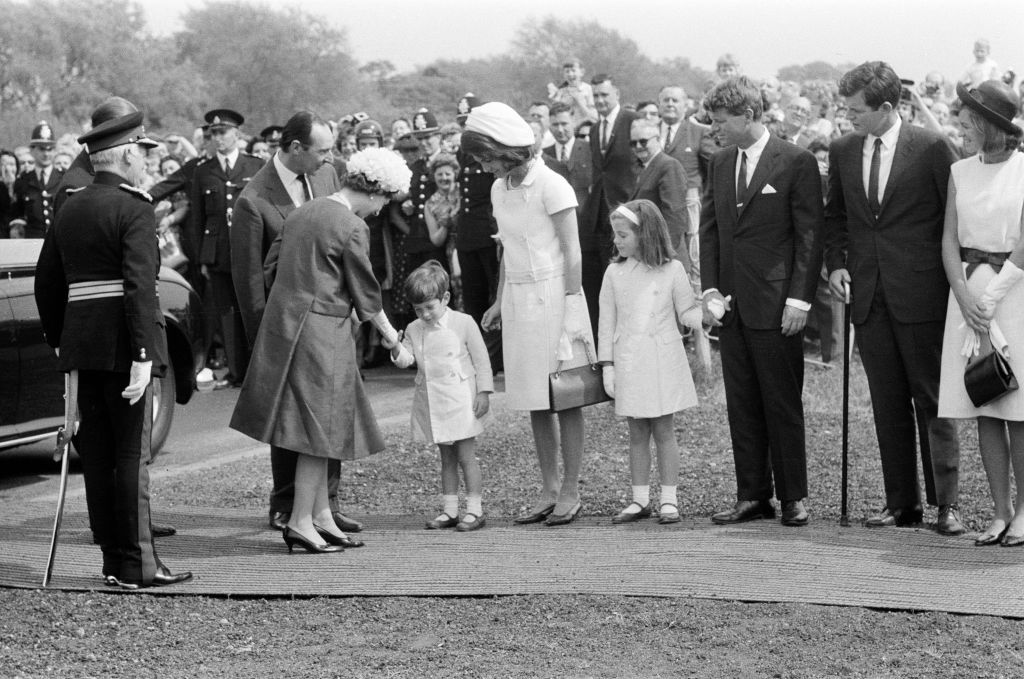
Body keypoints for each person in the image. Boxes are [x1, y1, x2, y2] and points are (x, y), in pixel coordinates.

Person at [34, 111, 192, 589]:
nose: (146, 162)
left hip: (84, 346)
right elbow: (140, 286)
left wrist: (65, 339)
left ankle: (112, 562)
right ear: (126, 154)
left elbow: (47, 283)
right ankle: (139, 564)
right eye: (143, 152)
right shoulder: (135, 207)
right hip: (126, 347)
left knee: (99, 457)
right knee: (130, 457)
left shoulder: (70, 205)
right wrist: (144, 354)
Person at [230, 148, 410, 553]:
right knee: (319, 433)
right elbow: (368, 295)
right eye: (385, 198)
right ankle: (300, 522)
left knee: (309, 429)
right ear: (376, 189)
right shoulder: (352, 227)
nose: (382, 208)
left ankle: (319, 514)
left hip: (288, 325)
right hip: (323, 333)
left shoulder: (304, 211)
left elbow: (271, 266)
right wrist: (394, 340)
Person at [824, 61, 963, 535]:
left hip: (922, 295)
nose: (849, 119)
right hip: (869, 297)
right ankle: (902, 503)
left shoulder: (930, 147)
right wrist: (837, 263)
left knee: (932, 400)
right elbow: (835, 218)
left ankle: (946, 505)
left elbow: (954, 221)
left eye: (856, 110)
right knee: (886, 403)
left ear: (887, 107)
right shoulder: (843, 150)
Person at [700, 76, 823, 527]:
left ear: (749, 115)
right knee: (742, 403)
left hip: (777, 305)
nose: (715, 129)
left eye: (721, 121)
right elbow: (709, 229)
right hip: (732, 306)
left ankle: (793, 496)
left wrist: (800, 300)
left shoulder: (796, 161)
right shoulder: (719, 162)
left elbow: (811, 236)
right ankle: (752, 494)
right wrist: (710, 288)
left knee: (781, 402)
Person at [465, 102, 594, 526]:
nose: (483, 166)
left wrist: (574, 303)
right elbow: (508, 250)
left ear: (506, 149)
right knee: (535, 399)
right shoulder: (498, 188)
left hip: (557, 294)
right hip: (520, 296)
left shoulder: (552, 185)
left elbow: (572, 250)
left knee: (566, 395)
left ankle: (571, 490)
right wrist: (500, 300)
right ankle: (549, 489)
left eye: (485, 156)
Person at [229, 111, 354, 533]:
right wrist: (264, 344)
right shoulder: (253, 199)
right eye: (322, 150)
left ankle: (326, 505)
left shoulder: (327, 177)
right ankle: (286, 504)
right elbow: (249, 280)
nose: (329, 158)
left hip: (327, 320)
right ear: (295, 148)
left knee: (330, 410)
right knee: (288, 419)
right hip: (283, 327)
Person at [938, 81, 1024, 546]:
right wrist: (965, 296)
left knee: (1018, 409)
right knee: (985, 400)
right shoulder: (959, 172)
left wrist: (990, 301)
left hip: (1014, 296)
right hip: (968, 298)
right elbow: (949, 241)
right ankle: (999, 511)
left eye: (967, 118)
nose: (960, 126)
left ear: (989, 124)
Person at [599, 200, 702, 525]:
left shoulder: (672, 270)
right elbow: (606, 321)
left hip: (662, 359)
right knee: (636, 430)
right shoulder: (614, 272)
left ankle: (669, 499)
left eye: (622, 235)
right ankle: (640, 498)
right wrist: (608, 365)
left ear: (645, 234)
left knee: (664, 429)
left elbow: (686, 313)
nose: (616, 241)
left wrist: (710, 314)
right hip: (629, 360)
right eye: (615, 235)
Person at [390, 261, 493, 531]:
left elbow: (482, 360)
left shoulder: (463, 322)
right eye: (418, 309)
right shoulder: (414, 328)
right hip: (435, 401)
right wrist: (394, 347)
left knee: (466, 456)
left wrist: (484, 391)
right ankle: (450, 510)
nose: (424, 315)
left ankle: (475, 509)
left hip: (460, 399)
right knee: (446, 457)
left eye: (429, 307)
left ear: (445, 299)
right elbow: (407, 359)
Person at [192, 108, 265, 389]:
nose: (218, 138)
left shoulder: (254, 166)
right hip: (218, 253)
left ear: (237, 134)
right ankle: (237, 372)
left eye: (223, 132)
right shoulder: (203, 171)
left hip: (250, 251)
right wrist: (202, 256)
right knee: (227, 314)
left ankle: (258, 370)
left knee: (253, 309)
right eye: (213, 134)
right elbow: (198, 219)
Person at [580, 74, 638, 337]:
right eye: (596, 96)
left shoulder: (631, 121)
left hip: (628, 209)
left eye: (604, 94)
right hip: (601, 216)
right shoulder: (593, 130)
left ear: (616, 93)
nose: (600, 100)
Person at [9, 121, 64, 238]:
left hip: (58, 241)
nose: (46, 154)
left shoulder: (64, 178)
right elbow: (15, 214)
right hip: (32, 243)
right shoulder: (22, 181)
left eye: (50, 149)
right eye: (42, 149)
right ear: (32, 150)